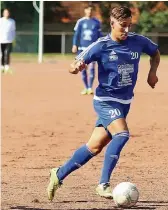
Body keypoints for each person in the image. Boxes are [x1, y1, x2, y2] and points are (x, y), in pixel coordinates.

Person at [47, 6, 160, 201]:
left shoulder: (138, 41)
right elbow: (73, 65)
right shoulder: (101, 45)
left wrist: (152, 73)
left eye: (129, 26)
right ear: (112, 24)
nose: (126, 30)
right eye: (122, 26)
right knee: (122, 134)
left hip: (125, 103)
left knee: (95, 147)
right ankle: (103, 184)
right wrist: (76, 67)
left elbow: (155, 53)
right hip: (106, 101)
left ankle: (58, 174)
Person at [72, 5, 102, 95]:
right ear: (85, 11)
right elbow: (76, 34)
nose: (89, 12)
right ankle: (85, 87)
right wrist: (74, 45)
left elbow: (99, 35)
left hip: (92, 49)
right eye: (88, 10)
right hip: (82, 49)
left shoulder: (96, 22)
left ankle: (90, 87)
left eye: (91, 10)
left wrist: (100, 46)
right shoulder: (80, 22)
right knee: (82, 68)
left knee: (92, 68)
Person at [0, 8, 16, 74]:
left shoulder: (12, 21)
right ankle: (2, 67)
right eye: (5, 12)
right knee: (2, 54)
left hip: (9, 40)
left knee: (7, 54)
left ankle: (7, 67)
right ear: (3, 13)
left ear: (9, 13)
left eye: (7, 12)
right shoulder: (0, 21)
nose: (6, 14)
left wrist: (13, 38)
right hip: (1, 40)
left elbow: (13, 31)